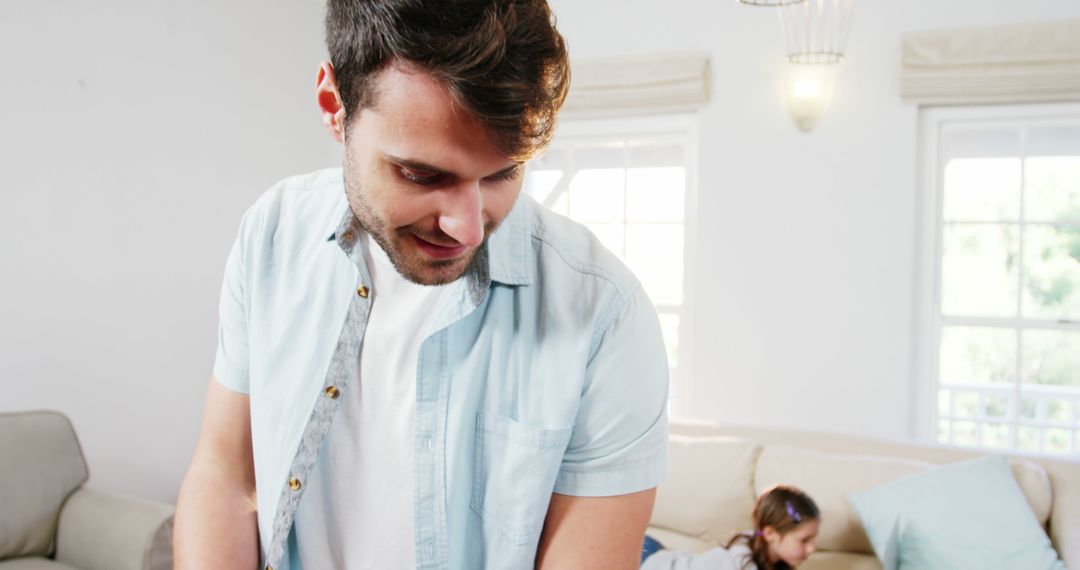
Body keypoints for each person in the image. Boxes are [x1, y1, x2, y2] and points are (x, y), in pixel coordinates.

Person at [173, 1, 670, 569]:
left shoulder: (605, 314)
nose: (466, 225)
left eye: (502, 173)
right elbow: (226, 474)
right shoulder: (272, 233)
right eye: (422, 174)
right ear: (335, 107)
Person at [641, 486, 821, 570]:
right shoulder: (741, 562)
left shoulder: (764, 547)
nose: (812, 548)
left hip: (662, 553)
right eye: (804, 540)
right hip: (648, 561)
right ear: (770, 534)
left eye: (813, 539)